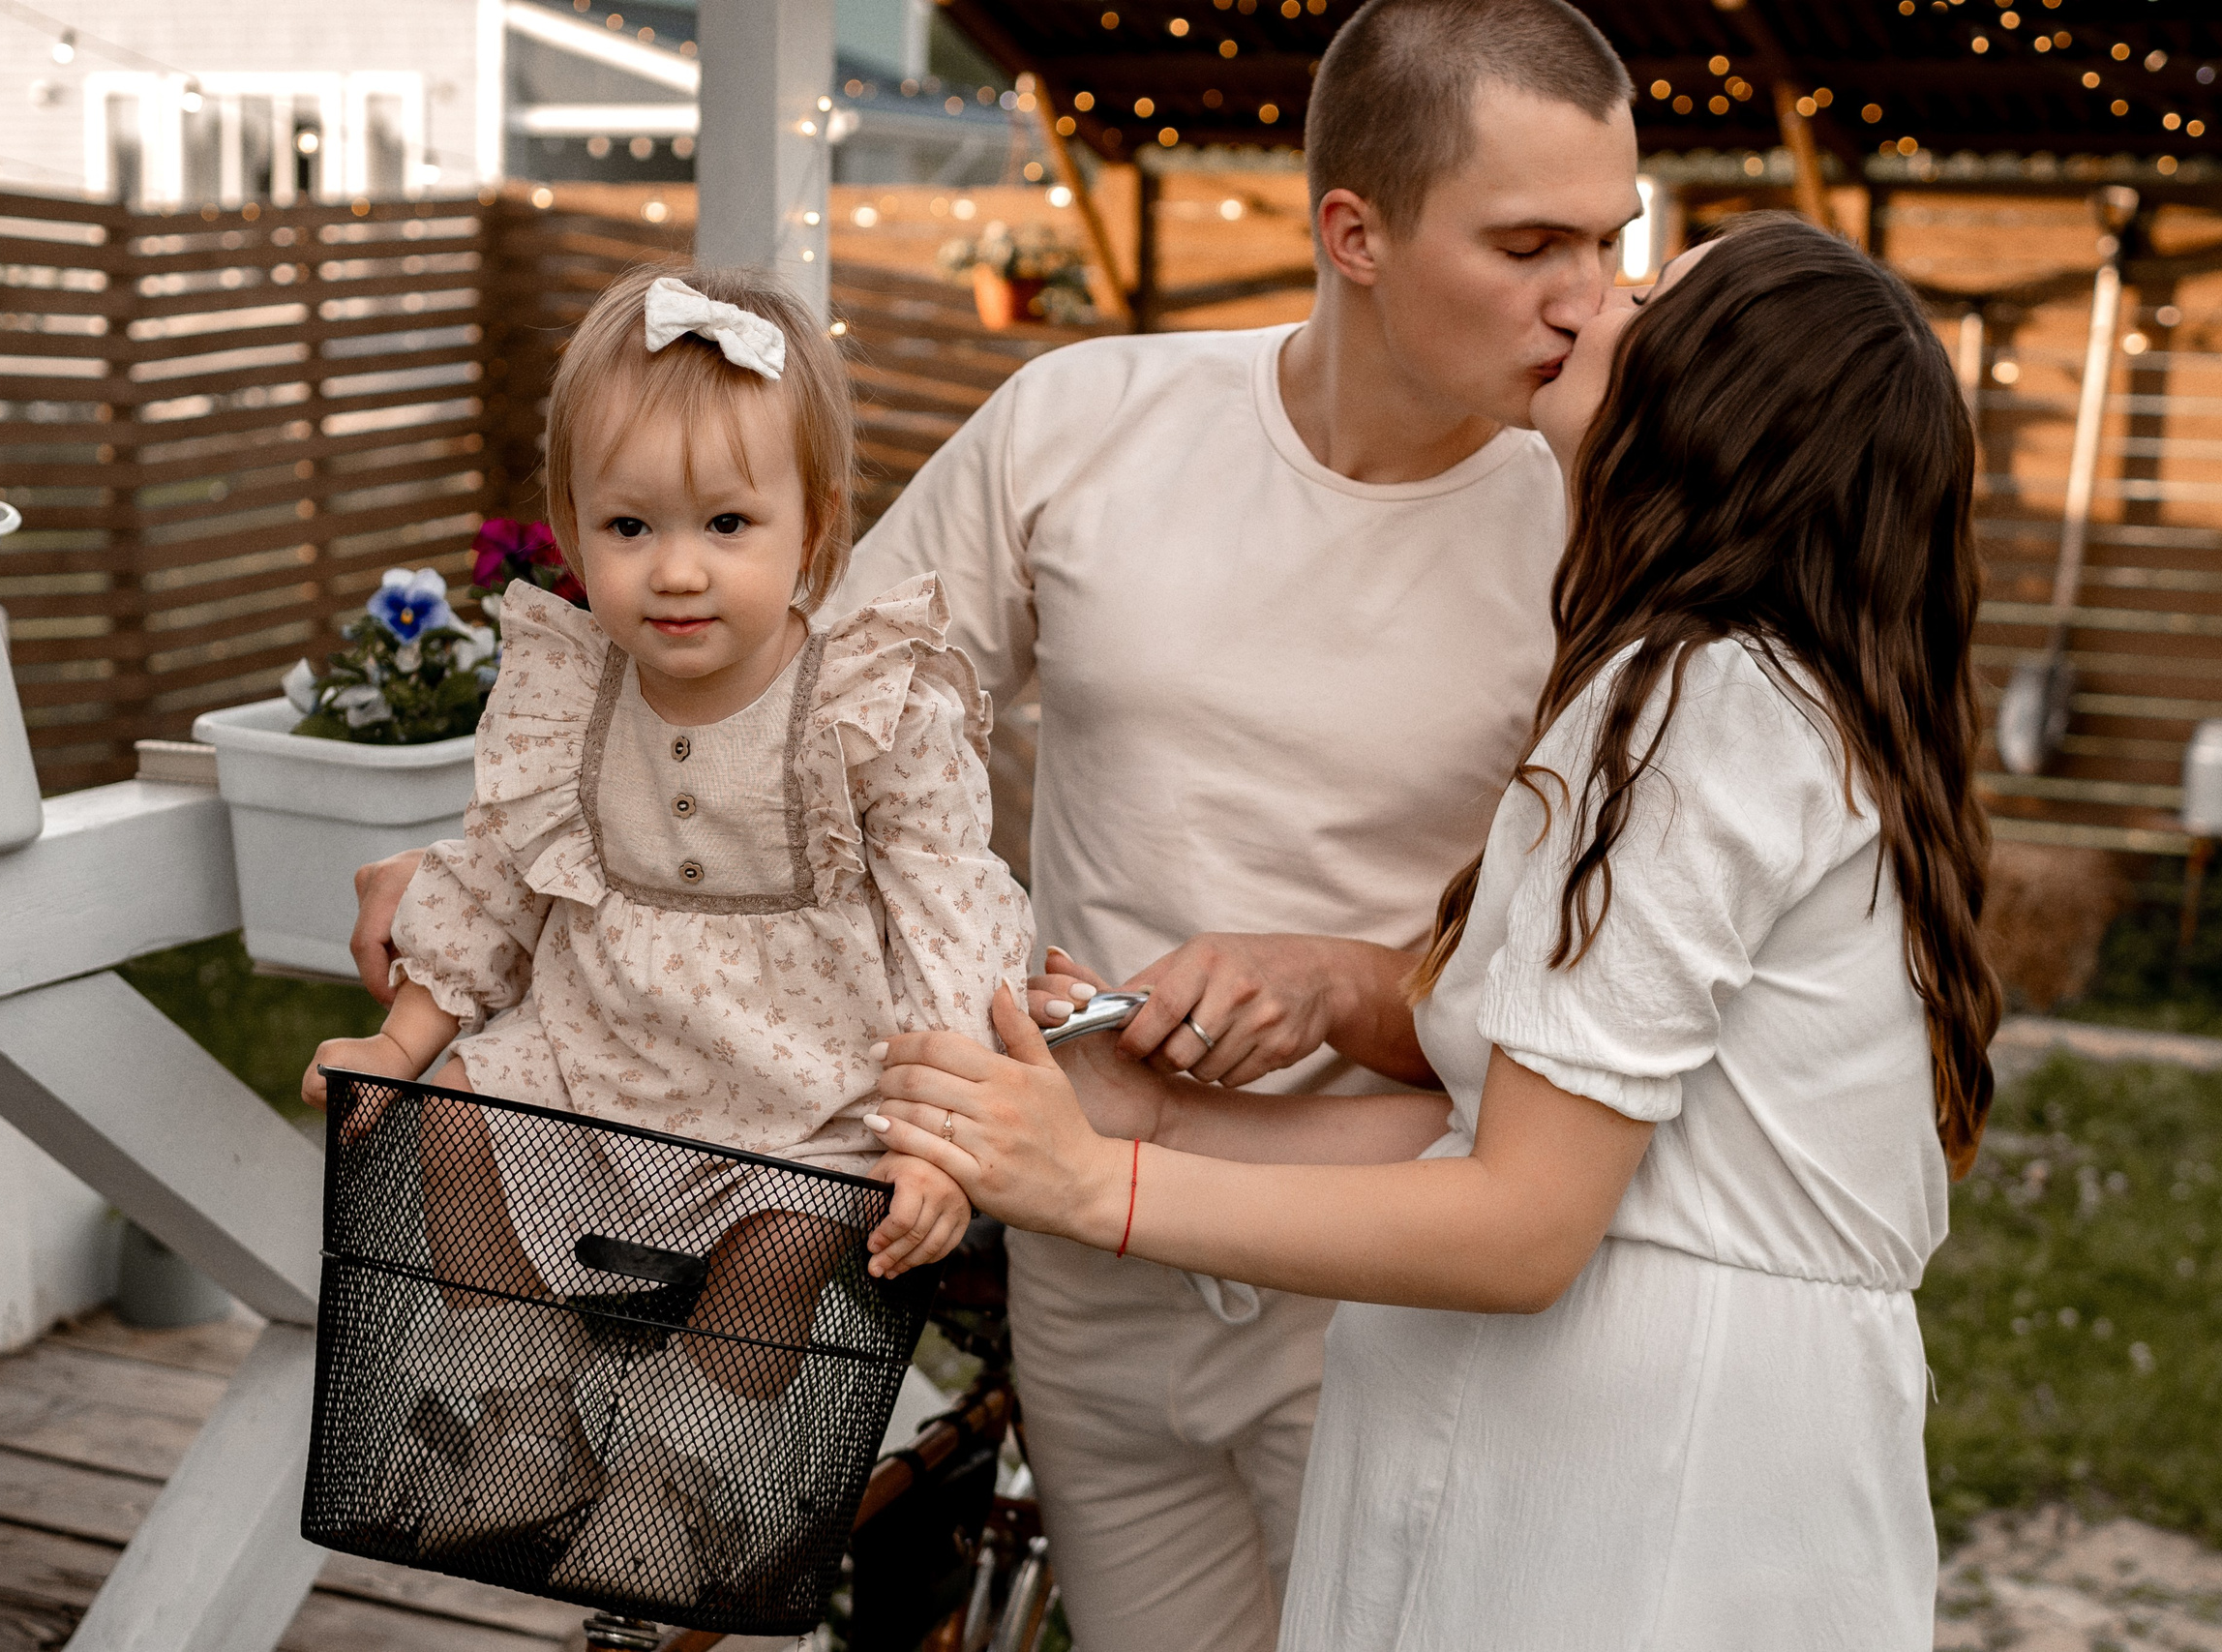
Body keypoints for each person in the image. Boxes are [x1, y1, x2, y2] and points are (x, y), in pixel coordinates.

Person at [345, 2, 1642, 1643]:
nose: (1589, 300)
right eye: (1532, 242)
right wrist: (494, 866)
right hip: (1077, 1240)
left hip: (1392, 1273)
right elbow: (776, 702)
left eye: (1611, 239)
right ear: (1354, 231)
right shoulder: (1084, 422)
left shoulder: (1615, 520)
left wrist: (1339, 979)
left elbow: (1611, 952)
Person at [866, 213, 2004, 1649]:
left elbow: (1522, 1224)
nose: (1596, 302)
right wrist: (1153, 1116)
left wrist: (1101, 1189)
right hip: (1628, 1452)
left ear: (1716, 409)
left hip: (1642, 1496)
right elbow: (1518, 1145)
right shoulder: (1742, 704)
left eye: (1645, 292)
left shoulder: (1697, 714)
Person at [302, 263, 1029, 1610]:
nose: (676, 570)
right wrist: (405, 1035)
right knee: (459, 1110)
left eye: (729, 524)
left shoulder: (863, 701)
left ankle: (671, 1483)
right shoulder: (569, 694)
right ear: (575, 530)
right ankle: (527, 1418)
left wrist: (940, 1143)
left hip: (798, 1093)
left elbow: (947, 921)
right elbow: (492, 881)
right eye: (630, 524)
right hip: (599, 1061)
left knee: (798, 1232)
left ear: (816, 529)